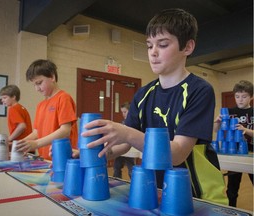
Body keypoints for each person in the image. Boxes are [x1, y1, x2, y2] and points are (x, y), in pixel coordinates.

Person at [81, 8, 228, 205]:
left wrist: (125, 132)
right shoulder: (143, 94)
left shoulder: (199, 90)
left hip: (197, 195)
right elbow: (126, 144)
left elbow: (177, 153)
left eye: (163, 44)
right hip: (157, 191)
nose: (153, 53)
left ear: (188, 47)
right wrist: (96, 153)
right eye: (149, 46)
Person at [16, 59, 78, 160]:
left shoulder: (63, 98)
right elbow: (37, 132)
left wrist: (36, 143)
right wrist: (20, 144)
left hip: (63, 158)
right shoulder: (40, 105)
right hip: (45, 159)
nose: (37, 88)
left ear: (52, 77)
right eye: (34, 85)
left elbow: (65, 131)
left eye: (39, 83)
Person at [214, 80, 253, 207]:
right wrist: (217, 122)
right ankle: (231, 210)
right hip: (233, 152)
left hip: (251, 153)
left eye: (244, 96)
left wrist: (245, 130)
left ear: (251, 97)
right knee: (232, 188)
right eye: (237, 96)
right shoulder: (229, 112)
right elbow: (215, 130)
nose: (240, 100)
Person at [113, 102, 135, 179]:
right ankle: (116, 181)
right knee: (116, 167)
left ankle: (134, 183)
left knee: (131, 168)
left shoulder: (133, 123)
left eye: (125, 112)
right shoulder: (122, 123)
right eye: (122, 112)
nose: (123, 114)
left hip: (129, 149)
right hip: (120, 148)